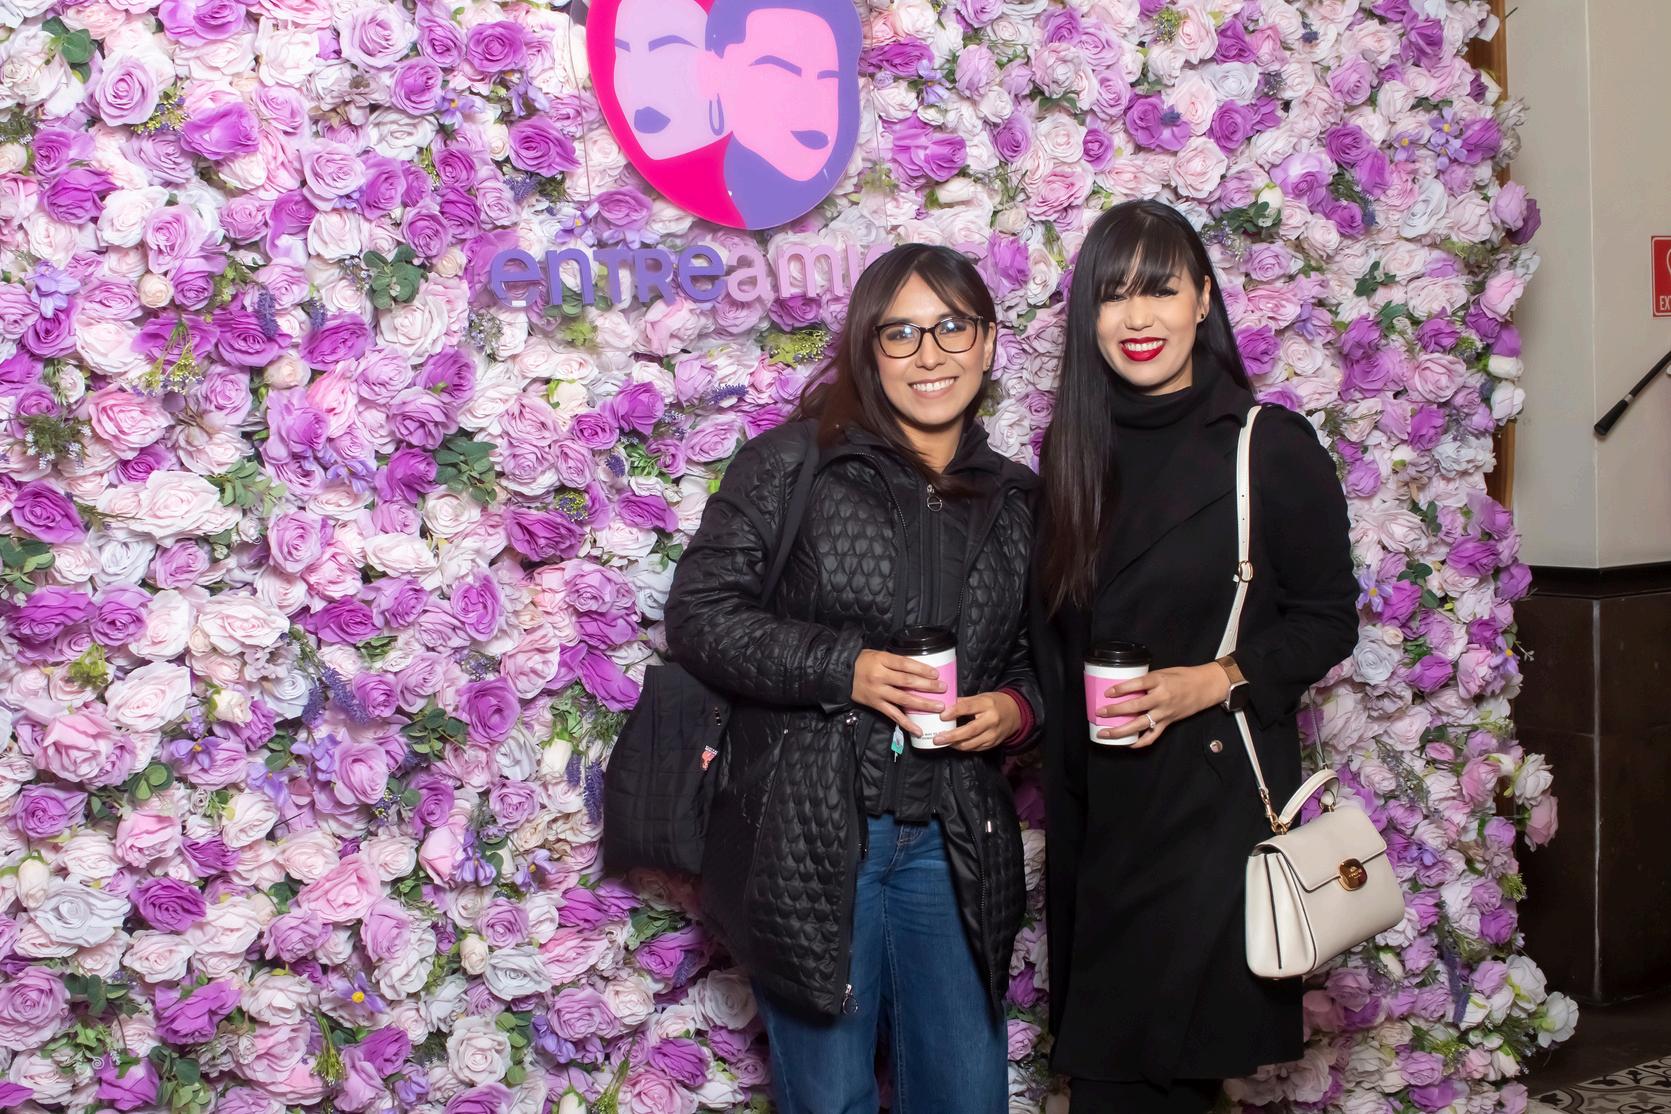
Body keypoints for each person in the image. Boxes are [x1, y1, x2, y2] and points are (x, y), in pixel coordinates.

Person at [665, 244, 1038, 1113]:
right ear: (868, 349)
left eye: (952, 328)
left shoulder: (1020, 499)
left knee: (967, 1100)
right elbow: (700, 614)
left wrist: (1016, 708)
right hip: (812, 834)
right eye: (899, 333)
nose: (929, 354)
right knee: (831, 1099)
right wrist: (849, 667)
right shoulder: (792, 464)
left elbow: (1041, 657)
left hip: (953, 840)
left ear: (988, 343)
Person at [1031, 199, 1360, 1113]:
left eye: (1160, 290)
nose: (1136, 317)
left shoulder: (1266, 446)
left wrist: (1213, 680)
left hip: (1208, 809)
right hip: (1098, 817)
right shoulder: (1072, 451)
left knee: (1151, 1077)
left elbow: (1328, 619)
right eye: (1112, 296)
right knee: (1114, 1077)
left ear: (1203, 299)